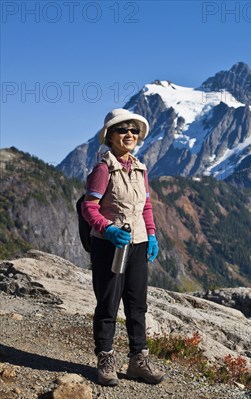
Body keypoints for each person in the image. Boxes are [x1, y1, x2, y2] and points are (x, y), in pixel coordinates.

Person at [81, 108, 165, 386]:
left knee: (137, 304)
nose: (129, 134)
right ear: (110, 136)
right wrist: (108, 228)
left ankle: (137, 360)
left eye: (133, 130)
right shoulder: (103, 169)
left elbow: (147, 206)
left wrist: (151, 234)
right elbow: (88, 207)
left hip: (138, 243)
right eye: (122, 130)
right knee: (108, 303)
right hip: (110, 244)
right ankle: (105, 358)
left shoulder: (140, 169)